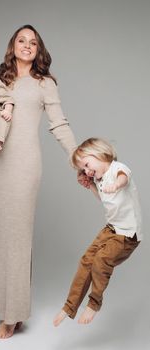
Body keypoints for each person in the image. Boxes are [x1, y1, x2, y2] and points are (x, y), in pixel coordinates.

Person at [0, 24, 77, 338]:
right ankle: (11, 310)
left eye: (32, 42)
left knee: (18, 239)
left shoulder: (44, 83)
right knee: (3, 238)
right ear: (13, 45)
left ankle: (12, 317)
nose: (26, 45)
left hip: (24, 165)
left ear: (39, 49)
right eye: (21, 40)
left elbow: (59, 124)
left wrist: (77, 155)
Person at [53, 137, 142, 326]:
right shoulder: (99, 179)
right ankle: (70, 306)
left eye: (86, 164)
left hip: (127, 234)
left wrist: (116, 184)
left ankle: (94, 303)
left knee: (101, 261)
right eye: (83, 169)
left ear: (99, 153)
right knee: (86, 260)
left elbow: (123, 177)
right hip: (111, 229)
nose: (86, 171)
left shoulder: (117, 168)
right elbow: (103, 199)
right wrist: (92, 185)